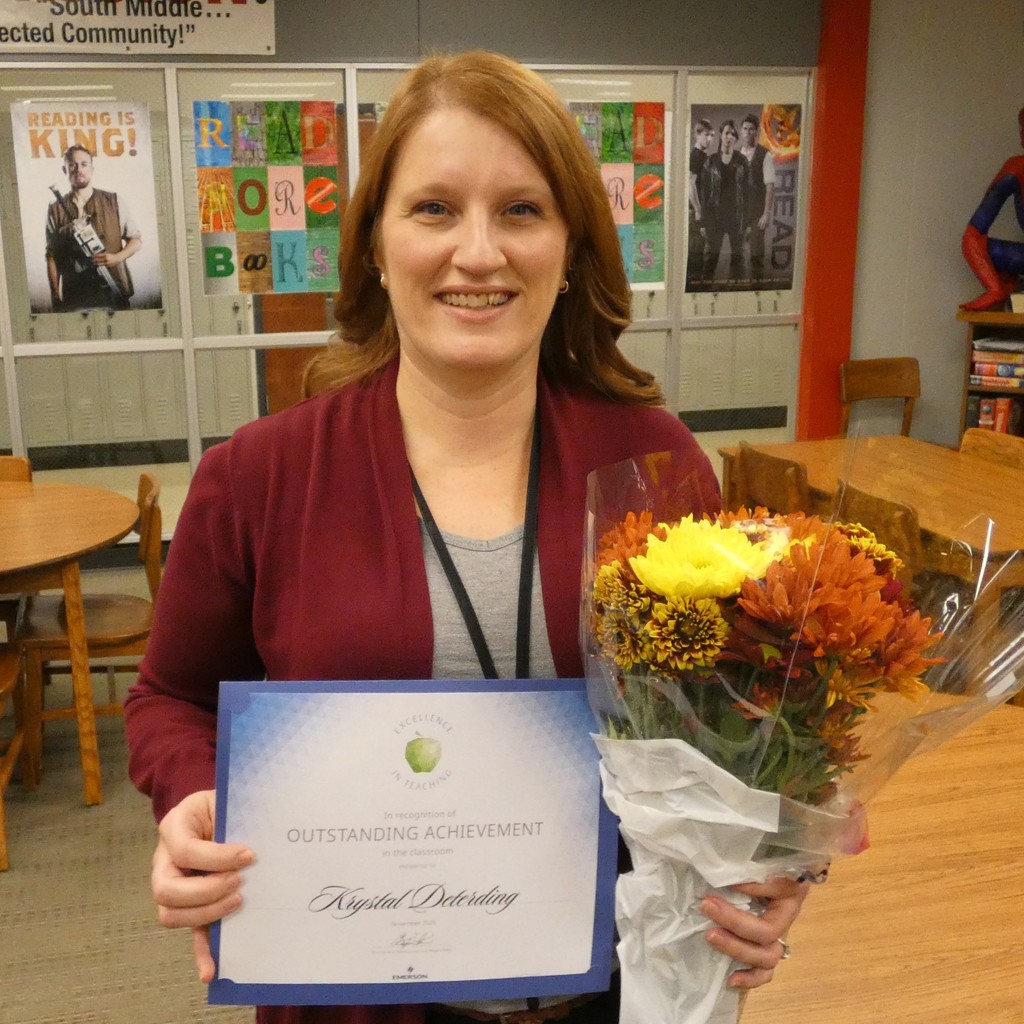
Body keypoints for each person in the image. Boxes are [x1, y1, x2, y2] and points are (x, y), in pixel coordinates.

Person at [124, 50, 808, 1024]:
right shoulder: (261, 475)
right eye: (434, 208)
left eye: (521, 210)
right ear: (373, 244)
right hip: (359, 998)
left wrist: (775, 857)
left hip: (621, 995)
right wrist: (190, 802)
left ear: (571, 246)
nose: (477, 252)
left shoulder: (653, 466)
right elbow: (170, 696)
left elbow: (737, 716)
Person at [45, 144, 141, 311]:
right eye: (72, 165)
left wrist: (117, 258)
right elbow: (52, 256)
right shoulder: (55, 209)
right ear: (64, 169)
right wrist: (55, 295)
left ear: (92, 168)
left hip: (113, 291)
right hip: (75, 297)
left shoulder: (114, 201)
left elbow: (136, 239)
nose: (78, 169)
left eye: (84, 164)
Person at [960, 106, 1024, 311]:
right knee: (983, 247)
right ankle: (1010, 289)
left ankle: (1009, 289)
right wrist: (995, 287)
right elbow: (974, 235)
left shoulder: (1016, 168)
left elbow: (972, 236)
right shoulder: (1017, 168)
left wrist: (994, 288)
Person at [697, 119, 750, 284]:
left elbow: (748, 193)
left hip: (736, 218)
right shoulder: (710, 161)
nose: (730, 137)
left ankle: (735, 300)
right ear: (721, 135)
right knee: (709, 262)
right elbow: (704, 194)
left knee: (738, 264)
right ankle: (704, 297)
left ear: (736, 138)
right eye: (727, 133)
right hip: (715, 218)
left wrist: (748, 222)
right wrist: (703, 223)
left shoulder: (742, 161)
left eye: (733, 134)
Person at [738, 113, 776, 283]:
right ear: (741, 131)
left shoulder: (764, 155)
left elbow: (770, 185)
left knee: (756, 253)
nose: (747, 132)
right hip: (739, 211)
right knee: (737, 254)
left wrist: (766, 213)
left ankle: (756, 288)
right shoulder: (737, 153)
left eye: (751, 129)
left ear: (757, 132)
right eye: (745, 129)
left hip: (756, 211)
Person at [686, 117, 714, 285]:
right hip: (695, 213)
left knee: (700, 251)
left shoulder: (702, 156)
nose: (710, 139)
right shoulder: (696, 156)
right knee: (696, 251)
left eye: (712, 135)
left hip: (701, 211)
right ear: (697, 134)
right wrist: (697, 209)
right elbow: (689, 183)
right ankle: (694, 286)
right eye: (706, 134)